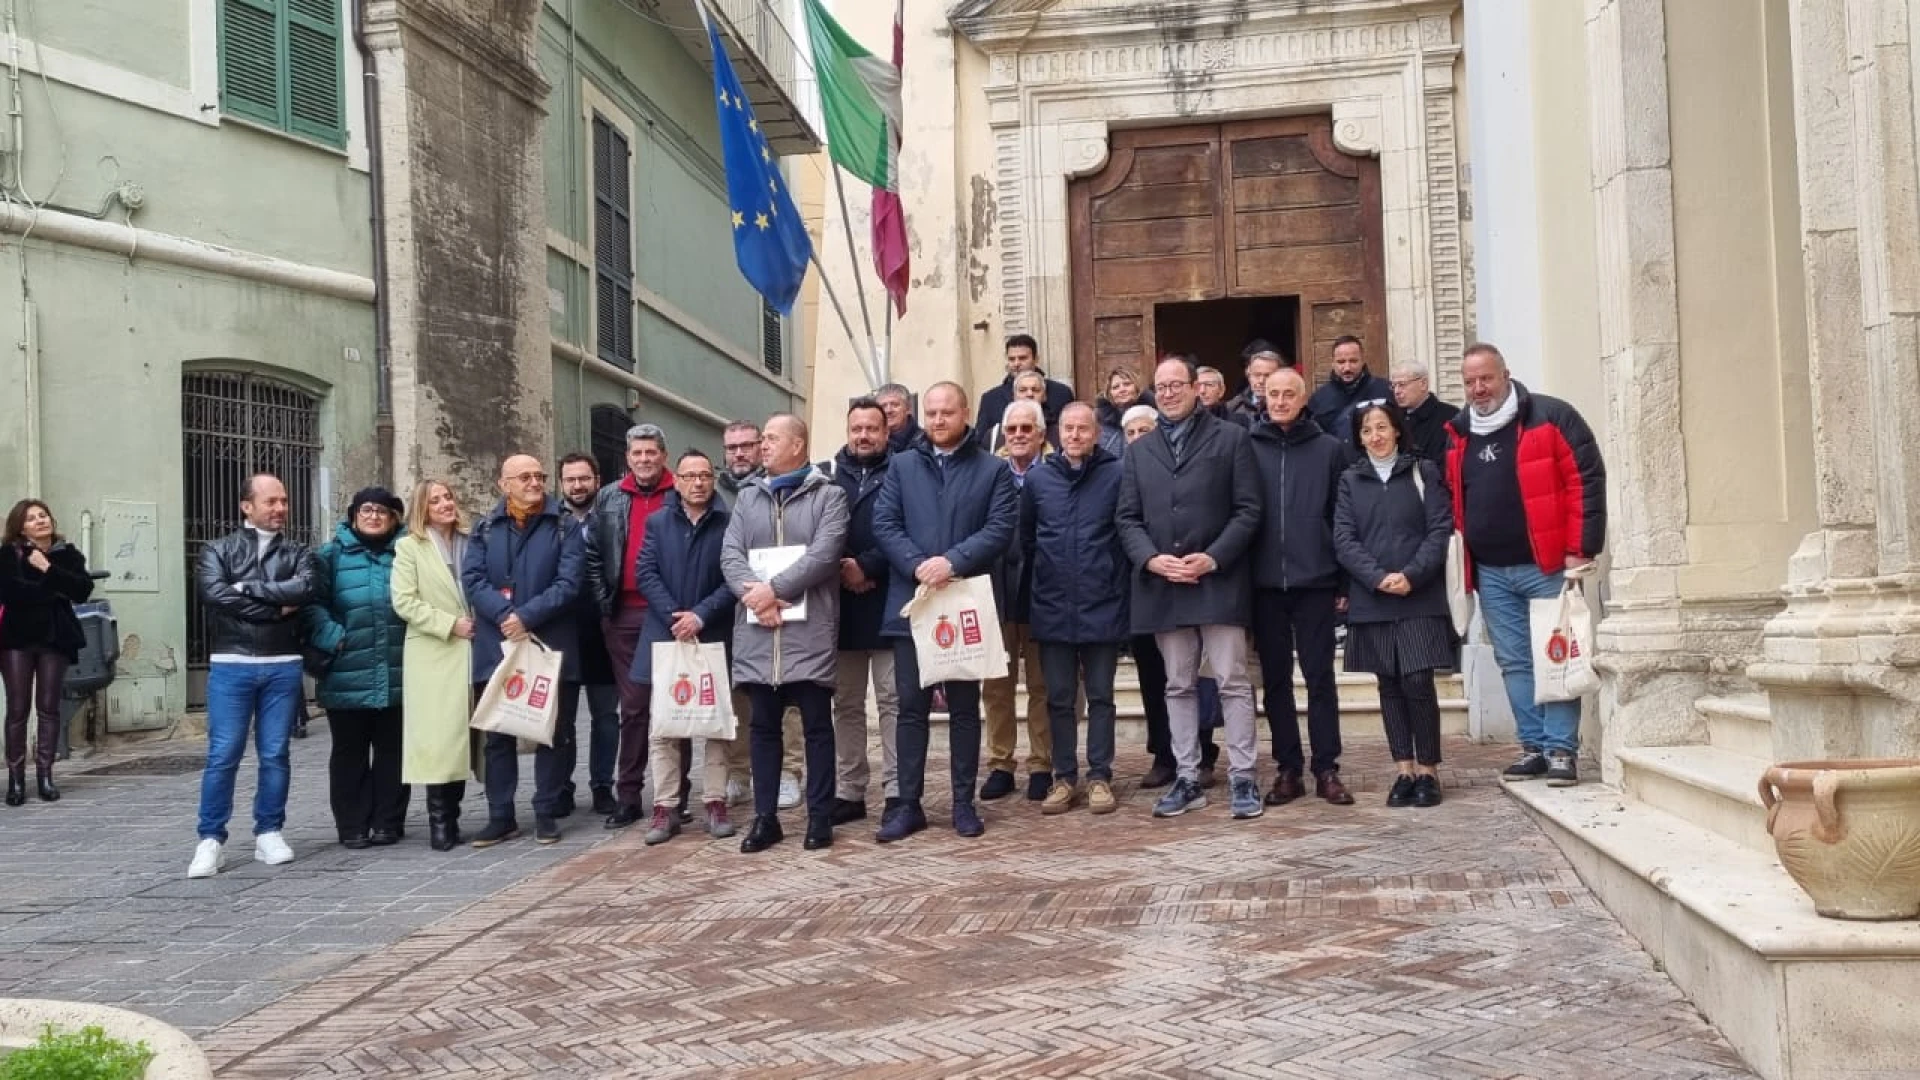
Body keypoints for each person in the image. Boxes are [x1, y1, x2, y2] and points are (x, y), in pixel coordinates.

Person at [1447, 342, 1607, 786]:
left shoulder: (1552, 417)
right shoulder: (1458, 433)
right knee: (1515, 662)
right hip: (1492, 573)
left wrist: (1582, 547)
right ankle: (1532, 746)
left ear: (1505, 375)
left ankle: (1561, 751)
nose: (1479, 389)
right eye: (1470, 382)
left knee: (1556, 657)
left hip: (1548, 565)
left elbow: (1585, 480)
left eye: (1486, 378)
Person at [1116, 357, 1263, 820]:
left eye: (1176, 384)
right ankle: (1187, 776)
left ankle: (1243, 775)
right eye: (1160, 386)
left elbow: (1248, 509)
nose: (1168, 393)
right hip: (1165, 584)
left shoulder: (1232, 439)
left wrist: (1214, 556)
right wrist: (1151, 559)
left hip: (1217, 579)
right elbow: (1127, 518)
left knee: (1232, 681)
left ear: (1197, 388)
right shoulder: (1140, 451)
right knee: (1177, 684)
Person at [871, 381, 1018, 842]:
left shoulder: (992, 470)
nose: (937, 420)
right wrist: (919, 565)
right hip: (913, 603)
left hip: (962, 600)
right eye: (930, 413)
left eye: (946, 413)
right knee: (910, 708)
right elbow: (884, 522)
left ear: (965, 412)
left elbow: (1000, 528)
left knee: (962, 708)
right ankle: (908, 805)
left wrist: (951, 561)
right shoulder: (901, 465)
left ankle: (962, 803)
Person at [721, 415, 850, 852]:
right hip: (760, 634)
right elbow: (730, 555)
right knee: (762, 728)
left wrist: (772, 591)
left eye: (772, 439)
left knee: (816, 726)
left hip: (807, 632)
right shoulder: (747, 498)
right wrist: (757, 598)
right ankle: (765, 818)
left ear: (798, 444)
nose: (763, 446)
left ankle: (819, 817)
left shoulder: (829, 496)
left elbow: (824, 554)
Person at [188, 474, 316, 878]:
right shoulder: (217, 549)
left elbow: (304, 589)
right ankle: (210, 839)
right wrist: (275, 605)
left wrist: (247, 589)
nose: (280, 508)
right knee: (223, 754)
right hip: (231, 662)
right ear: (247, 506)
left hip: (282, 663)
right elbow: (214, 595)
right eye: (271, 501)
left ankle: (269, 832)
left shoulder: (299, 552)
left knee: (275, 753)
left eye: (284, 501)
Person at [1336, 401, 1457, 807]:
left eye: (1382, 427)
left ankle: (1429, 770)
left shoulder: (1423, 472)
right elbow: (1344, 539)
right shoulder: (1350, 480)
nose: (1376, 436)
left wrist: (1412, 574)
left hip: (1418, 593)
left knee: (1418, 681)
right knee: (1388, 683)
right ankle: (1403, 769)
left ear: (1397, 431)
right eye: (1367, 430)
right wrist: (1377, 577)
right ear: (1359, 437)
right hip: (1373, 597)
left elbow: (1440, 528)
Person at [464, 453, 588, 846]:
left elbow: (570, 583)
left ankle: (547, 811)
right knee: (498, 733)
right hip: (497, 644)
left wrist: (527, 617)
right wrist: (505, 614)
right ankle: (500, 815)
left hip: (548, 644)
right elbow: (473, 579)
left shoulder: (564, 525)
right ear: (505, 484)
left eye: (539, 475)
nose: (534, 482)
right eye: (524, 477)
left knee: (552, 731)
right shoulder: (484, 527)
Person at [1247, 368, 1354, 807]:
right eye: (1273, 394)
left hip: (1316, 581)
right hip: (1264, 582)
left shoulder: (1329, 449)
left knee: (1319, 677)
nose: (1280, 400)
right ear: (1263, 397)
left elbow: (1343, 517)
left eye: (1288, 393)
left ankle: (1326, 766)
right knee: (1275, 682)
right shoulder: (1247, 447)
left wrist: (1343, 578)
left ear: (1302, 397)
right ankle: (1287, 767)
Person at [625, 449, 738, 843]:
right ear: (678, 481)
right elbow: (645, 571)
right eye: (689, 476)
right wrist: (675, 615)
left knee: (717, 723)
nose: (697, 483)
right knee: (664, 725)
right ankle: (666, 807)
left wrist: (701, 615)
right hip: (665, 633)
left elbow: (735, 578)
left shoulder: (729, 522)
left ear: (712, 478)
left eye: (704, 475)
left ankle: (715, 802)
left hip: (712, 632)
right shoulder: (658, 522)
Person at [1024, 403, 1127, 816]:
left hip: (1103, 603)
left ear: (1097, 433)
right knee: (1059, 698)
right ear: (1057, 432)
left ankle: (1100, 775)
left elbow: (1124, 535)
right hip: (1052, 605)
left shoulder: (1117, 475)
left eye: (1083, 428)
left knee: (1101, 696)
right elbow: (1027, 539)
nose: (1075, 435)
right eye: (1068, 428)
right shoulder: (1038, 479)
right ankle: (1063, 777)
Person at [301, 488, 411, 848]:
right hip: (347, 667)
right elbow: (312, 602)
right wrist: (333, 636)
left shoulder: (408, 553)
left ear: (395, 517)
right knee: (349, 752)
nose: (374, 516)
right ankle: (351, 825)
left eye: (383, 511)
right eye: (367, 510)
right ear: (353, 515)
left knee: (393, 750)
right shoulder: (330, 555)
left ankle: (388, 822)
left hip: (399, 668)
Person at [587, 424, 680, 822]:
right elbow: (592, 554)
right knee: (635, 706)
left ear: (663, 455)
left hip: (670, 614)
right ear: (628, 458)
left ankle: (675, 795)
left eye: (651, 452)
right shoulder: (608, 497)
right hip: (623, 614)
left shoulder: (681, 492)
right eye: (637, 453)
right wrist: (603, 604)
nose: (644, 460)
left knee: (675, 705)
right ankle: (629, 795)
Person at [390, 479, 477, 852]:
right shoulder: (409, 547)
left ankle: (456, 814)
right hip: (433, 652)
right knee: (440, 741)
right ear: (422, 508)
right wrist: (449, 624)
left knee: (463, 739)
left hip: (472, 649)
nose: (445, 504)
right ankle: (440, 820)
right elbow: (404, 601)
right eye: (435, 500)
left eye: (448, 497)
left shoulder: (471, 541)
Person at [827, 397, 899, 826]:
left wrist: (867, 566)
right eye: (857, 428)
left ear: (886, 432)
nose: (864, 436)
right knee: (847, 704)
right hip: (841, 611)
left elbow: (909, 529)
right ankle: (850, 790)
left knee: (893, 701)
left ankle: (896, 789)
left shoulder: (905, 472)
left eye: (872, 428)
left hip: (889, 602)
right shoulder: (826, 477)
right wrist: (843, 569)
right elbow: (817, 533)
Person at [981, 399, 1057, 802]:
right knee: (996, 686)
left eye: (1027, 429)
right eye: (1012, 430)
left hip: (1042, 592)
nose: (1018, 436)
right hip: (996, 591)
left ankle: (1042, 764)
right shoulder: (989, 474)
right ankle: (1000, 764)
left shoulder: (1055, 473)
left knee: (1042, 685)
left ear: (1042, 435)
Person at [0, 499, 94, 805]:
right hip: (17, 638)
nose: (41, 521)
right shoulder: (9, 553)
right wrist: (54, 589)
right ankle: (15, 780)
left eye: (43, 515)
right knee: (17, 709)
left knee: (49, 708)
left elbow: (82, 590)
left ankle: (45, 776)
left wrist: (48, 569)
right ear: (20, 526)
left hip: (55, 638)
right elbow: (11, 592)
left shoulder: (66, 554)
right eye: (31, 518)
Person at [557, 453, 621, 816]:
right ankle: (562, 786)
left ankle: (601, 785)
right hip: (563, 630)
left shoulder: (612, 517)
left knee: (605, 716)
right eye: (570, 479)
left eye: (584, 478)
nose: (578, 486)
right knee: (562, 719)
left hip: (603, 628)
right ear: (562, 483)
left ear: (597, 480)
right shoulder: (551, 522)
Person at [976, 333, 1074, 446]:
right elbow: (981, 443)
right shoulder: (991, 399)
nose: (1016, 363)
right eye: (1012, 359)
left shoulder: (1061, 394)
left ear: (1036, 359)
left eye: (1022, 358)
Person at [1308, 335, 1393, 443]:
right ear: (1332, 363)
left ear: (1363, 361)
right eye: (1341, 362)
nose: (1347, 367)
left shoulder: (1385, 390)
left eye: (1353, 361)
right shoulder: (1319, 398)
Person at [1390, 361, 1461, 465]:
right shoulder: (1393, 417)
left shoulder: (1450, 416)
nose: (1396, 391)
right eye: (1393, 386)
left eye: (1402, 384)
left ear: (1423, 384)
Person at [982, 371, 1059, 456]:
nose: (1029, 394)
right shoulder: (994, 435)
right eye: (1023, 390)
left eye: (1035, 390)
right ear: (1014, 396)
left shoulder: (1059, 433)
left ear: (1044, 396)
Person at [1095, 366, 1150, 455]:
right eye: (1116, 387)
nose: (1122, 390)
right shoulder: (1099, 421)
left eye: (1127, 384)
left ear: (1136, 388)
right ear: (1109, 393)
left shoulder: (1152, 417)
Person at [1227, 344, 1284, 426]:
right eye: (1257, 375)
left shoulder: (1287, 408)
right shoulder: (1233, 407)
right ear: (1248, 375)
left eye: (1267, 375)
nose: (1261, 381)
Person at [876, 383, 922, 454]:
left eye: (895, 405)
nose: (888, 410)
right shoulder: (874, 444)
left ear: (908, 408)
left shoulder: (925, 442)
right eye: (883, 406)